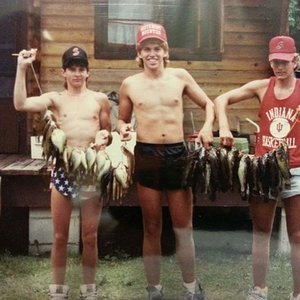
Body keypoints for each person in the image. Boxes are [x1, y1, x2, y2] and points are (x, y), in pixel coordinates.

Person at [117, 23, 214, 300]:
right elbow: (122, 119)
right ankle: (154, 290)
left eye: (157, 48)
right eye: (146, 48)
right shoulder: (130, 84)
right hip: (146, 155)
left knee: (183, 227)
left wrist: (207, 127)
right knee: (151, 226)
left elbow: (208, 104)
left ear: (165, 51)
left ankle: (191, 288)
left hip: (177, 155)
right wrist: (122, 127)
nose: (152, 53)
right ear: (139, 52)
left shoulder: (179, 76)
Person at [13, 46, 112, 299]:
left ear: (88, 72)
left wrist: (104, 137)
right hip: (64, 172)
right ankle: (58, 290)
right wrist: (22, 67)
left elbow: (108, 134)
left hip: (91, 170)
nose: (77, 73)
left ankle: (88, 289)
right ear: (63, 72)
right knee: (59, 236)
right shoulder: (55, 99)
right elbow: (20, 104)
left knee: (89, 236)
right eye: (72, 68)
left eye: (81, 69)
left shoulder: (100, 99)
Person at [214, 36, 300, 300]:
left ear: (295, 61)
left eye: (285, 62)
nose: (280, 67)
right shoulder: (263, 87)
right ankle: (259, 291)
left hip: (296, 171)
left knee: (297, 234)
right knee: (261, 232)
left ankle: (298, 293)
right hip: (263, 170)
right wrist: (224, 126)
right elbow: (221, 99)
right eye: (275, 61)